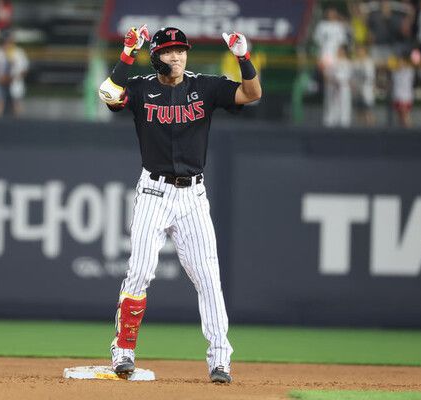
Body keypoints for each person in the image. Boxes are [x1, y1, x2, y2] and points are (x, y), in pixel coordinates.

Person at [98, 25, 261, 384]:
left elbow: (252, 93)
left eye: (181, 50)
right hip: (153, 193)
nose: (176, 56)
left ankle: (220, 360)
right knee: (140, 271)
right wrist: (128, 53)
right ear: (155, 56)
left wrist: (243, 57)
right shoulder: (140, 88)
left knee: (208, 278)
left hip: (192, 197)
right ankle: (123, 350)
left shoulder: (205, 87)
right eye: (168, 51)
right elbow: (108, 94)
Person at [0, 30, 28, 118]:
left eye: (9, 41)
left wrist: (13, 78)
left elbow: (24, 69)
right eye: (5, 41)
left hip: (15, 82)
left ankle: (19, 124)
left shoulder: (19, 52)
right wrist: (0, 79)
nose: (7, 43)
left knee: (16, 104)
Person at [392, 53, 415, 128]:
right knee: (399, 116)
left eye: (401, 62)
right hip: (397, 96)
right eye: (398, 62)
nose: (399, 63)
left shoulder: (408, 71)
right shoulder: (394, 73)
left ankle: (409, 129)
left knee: (405, 115)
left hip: (405, 97)